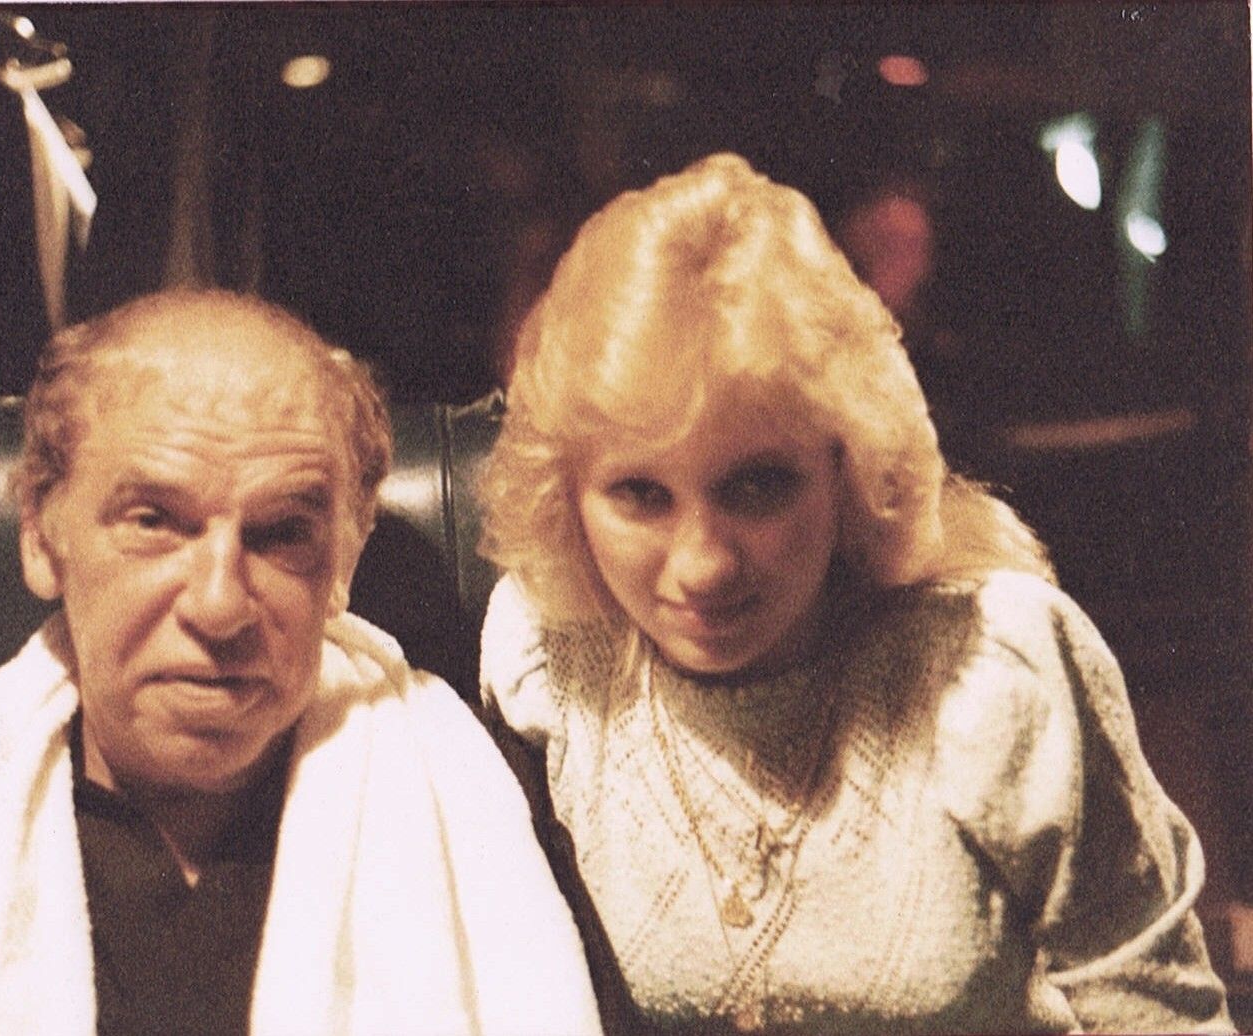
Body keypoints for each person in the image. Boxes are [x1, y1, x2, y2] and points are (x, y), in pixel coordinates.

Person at [477, 153, 1233, 1034]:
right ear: (565, 492)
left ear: (851, 468)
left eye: (758, 485)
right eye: (641, 495)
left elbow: (1159, 1015)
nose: (703, 566)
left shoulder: (996, 667)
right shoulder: (546, 659)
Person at [0, 289, 602, 1036]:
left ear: (345, 559)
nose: (220, 606)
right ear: (41, 533)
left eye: (282, 533)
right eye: (154, 521)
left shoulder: (491, 811)